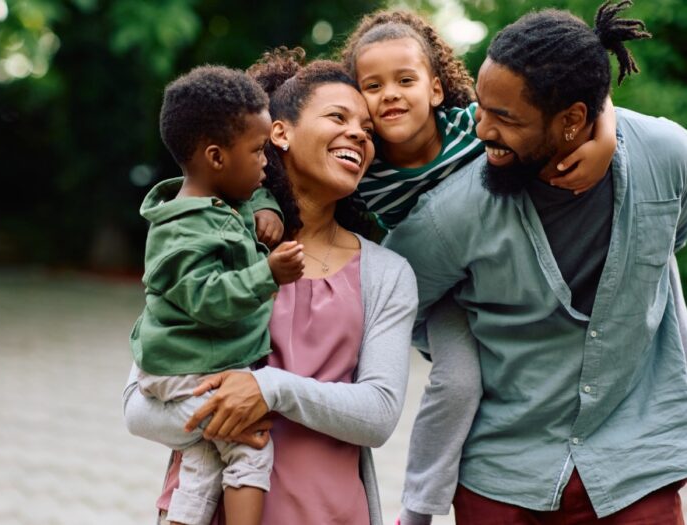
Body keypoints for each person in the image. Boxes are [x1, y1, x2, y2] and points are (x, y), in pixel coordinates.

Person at [385, 1, 687, 523]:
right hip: (502, 475)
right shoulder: (455, 212)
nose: (481, 131)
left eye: (504, 118)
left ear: (572, 120)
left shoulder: (666, 155)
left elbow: (671, 235)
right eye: (482, 108)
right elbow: (390, 299)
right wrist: (462, 338)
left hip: (636, 469)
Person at [338, 9, 618, 525]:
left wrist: (605, 137)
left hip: (509, 271)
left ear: (437, 89)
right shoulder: (362, 164)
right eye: (371, 85)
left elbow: (575, 93)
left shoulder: (472, 126)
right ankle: (418, 509)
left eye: (406, 79)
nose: (391, 94)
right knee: (459, 380)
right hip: (445, 298)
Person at [124, 48, 419, 524]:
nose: (358, 135)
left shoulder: (386, 274)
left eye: (367, 131)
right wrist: (220, 419)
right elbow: (137, 405)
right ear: (279, 132)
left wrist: (268, 389)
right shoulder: (216, 241)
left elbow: (379, 414)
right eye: (338, 117)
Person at [129, 65, 307, 525]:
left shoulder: (223, 198)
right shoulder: (180, 234)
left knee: (204, 462)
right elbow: (207, 299)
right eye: (257, 151)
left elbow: (248, 198)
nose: (266, 163)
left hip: (193, 361)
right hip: (181, 367)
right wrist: (266, 273)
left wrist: (266, 206)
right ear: (215, 157)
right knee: (248, 446)